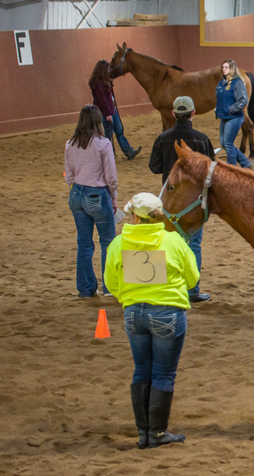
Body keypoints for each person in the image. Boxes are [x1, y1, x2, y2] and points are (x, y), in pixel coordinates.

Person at [104, 192, 198, 450]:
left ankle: (143, 432)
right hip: (168, 313)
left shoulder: (118, 243)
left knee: (141, 370)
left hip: (134, 313)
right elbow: (192, 278)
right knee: (164, 373)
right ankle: (157, 433)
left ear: (134, 216)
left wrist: (132, 296)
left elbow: (111, 283)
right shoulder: (174, 241)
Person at [148, 96, 214, 304]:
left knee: (166, 242)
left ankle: (166, 287)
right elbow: (212, 169)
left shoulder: (162, 138)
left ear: (174, 114)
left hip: (170, 201)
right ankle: (192, 290)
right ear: (193, 113)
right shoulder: (202, 139)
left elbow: (154, 167)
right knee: (194, 243)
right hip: (193, 202)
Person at [65, 104, 118, 298]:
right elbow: (111, 176)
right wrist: (113, 197)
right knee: (108, 242)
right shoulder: (103, 144)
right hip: (97, 194)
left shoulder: (70, 144)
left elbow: (68, 176)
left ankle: (86, 288)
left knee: (84, 244)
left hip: (76, 194)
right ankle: (109, 287)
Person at [88, 59, 141, 160]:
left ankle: (128, 151)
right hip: (106, 111)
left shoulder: (104, 82)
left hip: (111, 109)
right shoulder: (98, 85)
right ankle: (109, 154)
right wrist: (107, 114)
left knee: (119, 130)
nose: (109, 71)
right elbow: (102, 100)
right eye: (107, 69)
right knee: (108, 133)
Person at [214, 59, 252, 168]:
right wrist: (218, 109)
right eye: (223, 67)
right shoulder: (221, 83)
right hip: (224, 117)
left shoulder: (238, 83)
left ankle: (232, 168)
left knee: (228, 143)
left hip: (234, 117)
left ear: (232, 69)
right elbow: (220, 99)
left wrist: (231, 109)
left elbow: (243, 100)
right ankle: (245, 162)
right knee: (224, 143)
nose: (223, 69)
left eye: (226, 67)